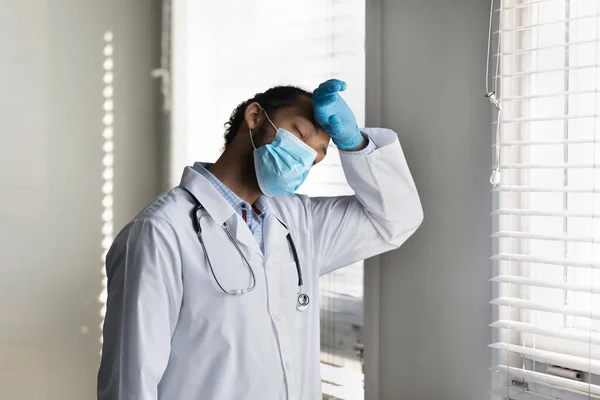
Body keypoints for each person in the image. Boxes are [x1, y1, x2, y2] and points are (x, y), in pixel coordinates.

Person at [97, 79, 423, 400]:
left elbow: (396, 218)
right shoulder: (161, 231)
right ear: (254, 117)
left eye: (318, 153)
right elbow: (132, 380)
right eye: (299, 134)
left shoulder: (301, 223)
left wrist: (355, 144)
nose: (305, 155)